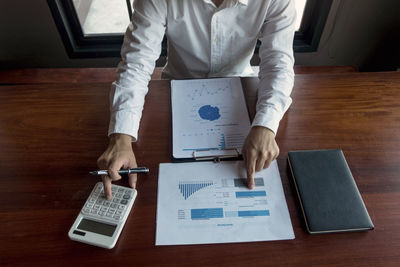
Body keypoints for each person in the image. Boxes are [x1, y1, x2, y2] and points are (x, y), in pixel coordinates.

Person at [97, 0, 296, 199]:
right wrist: (121, 138)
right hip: (176, 88)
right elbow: (136, 63)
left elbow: (279, 65)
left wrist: (266, 125)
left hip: (240, 86)